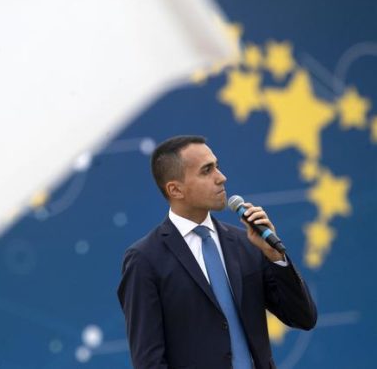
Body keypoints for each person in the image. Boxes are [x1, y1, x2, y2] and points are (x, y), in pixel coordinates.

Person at [117, 135, 316, 369]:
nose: (221, 177)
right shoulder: (145, 259)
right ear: (175, 189)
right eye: (206, 170)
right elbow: (148, 361)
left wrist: (275, 257)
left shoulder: (247, 242)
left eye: (217, 166)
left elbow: (303, 318)